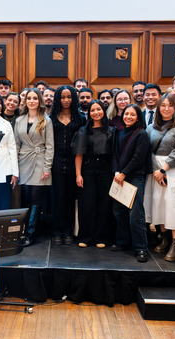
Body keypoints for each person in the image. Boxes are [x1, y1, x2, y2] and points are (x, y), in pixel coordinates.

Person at [144, 93, 175, 262]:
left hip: (174, 170)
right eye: (163, 105)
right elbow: (147, 151)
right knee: (159, 205)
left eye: (170, 105)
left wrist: (163, 170)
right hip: (155, 171)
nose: (166, 109)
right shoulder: (150, 128)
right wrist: (157, 171)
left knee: (173, 206)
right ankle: (164, 239)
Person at [111, 104, 151, 262]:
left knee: (136, 214)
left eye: (132, 114)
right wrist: (116, 172)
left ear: (138, 117)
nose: (128, 116)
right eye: (126, 114)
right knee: (118, 212)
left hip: (134, 177)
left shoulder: (141, 134)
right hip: (118, 177)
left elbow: (138, 158)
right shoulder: (119, 132)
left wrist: (124, 173)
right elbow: (114, 154)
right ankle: (122, 242)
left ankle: (141, 248)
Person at [73, 100, 115, 248]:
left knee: (104, 203)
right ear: (89, 113)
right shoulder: (84, 131)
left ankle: (101, 237)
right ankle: (85, 236)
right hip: (88, 168)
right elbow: (79, 154)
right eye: (92, 110)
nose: (96, 112)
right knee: (87, 203)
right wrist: (78, 174)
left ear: (103, 111)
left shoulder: (111, 130)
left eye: (99, 109)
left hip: (106, 169)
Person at [14, 88, 54, 246]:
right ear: (25, 101)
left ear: (39, 101)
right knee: (25, 199)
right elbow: (16, 145)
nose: (31, 101)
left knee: (36, 200)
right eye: (29, 98)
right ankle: (22, 232)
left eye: (35, 98)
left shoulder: (46, 120)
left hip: (40, 161)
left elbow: (50, 146)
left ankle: (31, 234)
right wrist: (14, 167)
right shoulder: (19, 120)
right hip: (23, 161)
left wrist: (47, 167)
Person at [50, 86, 85, 245]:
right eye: (63, 97)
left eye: (69, 97)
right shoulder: (51, 117)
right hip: (55, 162)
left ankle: (68, 231)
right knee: (58, 198)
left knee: (71, 199)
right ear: (58, 98)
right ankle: (57, 231)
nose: (66, 100)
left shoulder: (80, 118)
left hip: (75, 162)